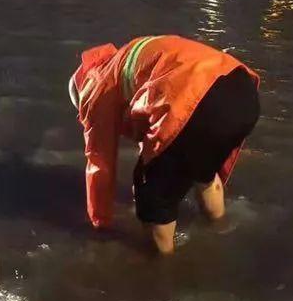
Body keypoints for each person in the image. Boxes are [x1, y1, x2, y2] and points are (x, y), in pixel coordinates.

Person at [69, 36, 260, 254]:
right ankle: (219, 229)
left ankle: (162, 269)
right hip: (242, 91)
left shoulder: (97, 89)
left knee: (152, 194)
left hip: (195, 101)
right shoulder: (129, 55)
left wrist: (100, 223)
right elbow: (156, 110)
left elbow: (99, 163)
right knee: (202, 171)